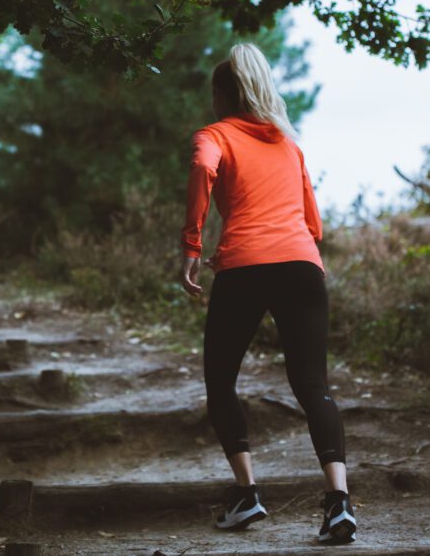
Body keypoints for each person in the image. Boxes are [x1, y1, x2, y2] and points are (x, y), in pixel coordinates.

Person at [179, 43, 355, 544]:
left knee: (220, 380)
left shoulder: (214, 135)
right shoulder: (288, 143)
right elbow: (311, 220)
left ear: (221, 94)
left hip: (246, 269)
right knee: (312, 383)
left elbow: (202, 169)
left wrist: (194, 246)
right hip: (302, 265)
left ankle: (248, 493)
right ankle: (338, 503)